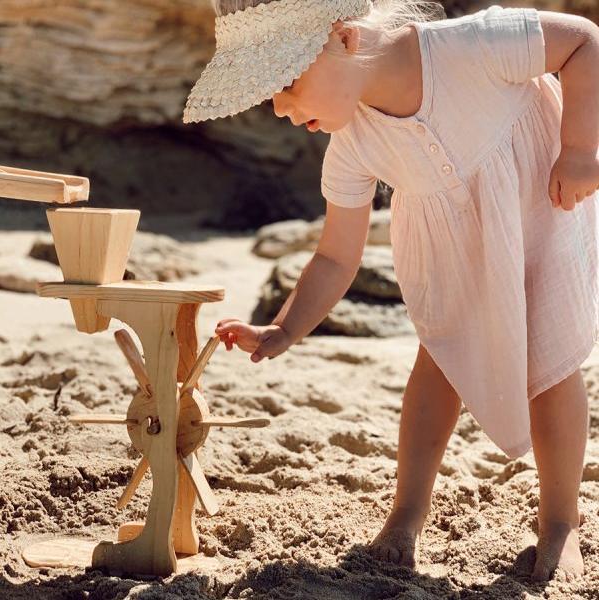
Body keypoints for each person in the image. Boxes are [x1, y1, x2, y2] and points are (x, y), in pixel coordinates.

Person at [182, 0, 599, 582]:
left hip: (541, 208)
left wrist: (580, 147)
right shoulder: (353, 144)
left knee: (551, 365)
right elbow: (335, 255)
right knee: (440, 359)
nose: (278, 106)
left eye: (286, 82)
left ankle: (561, 523)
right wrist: (285, 327)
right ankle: (406, 515)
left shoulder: (470, 46)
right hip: (453, 248)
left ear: (344, 40)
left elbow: (583, 40)